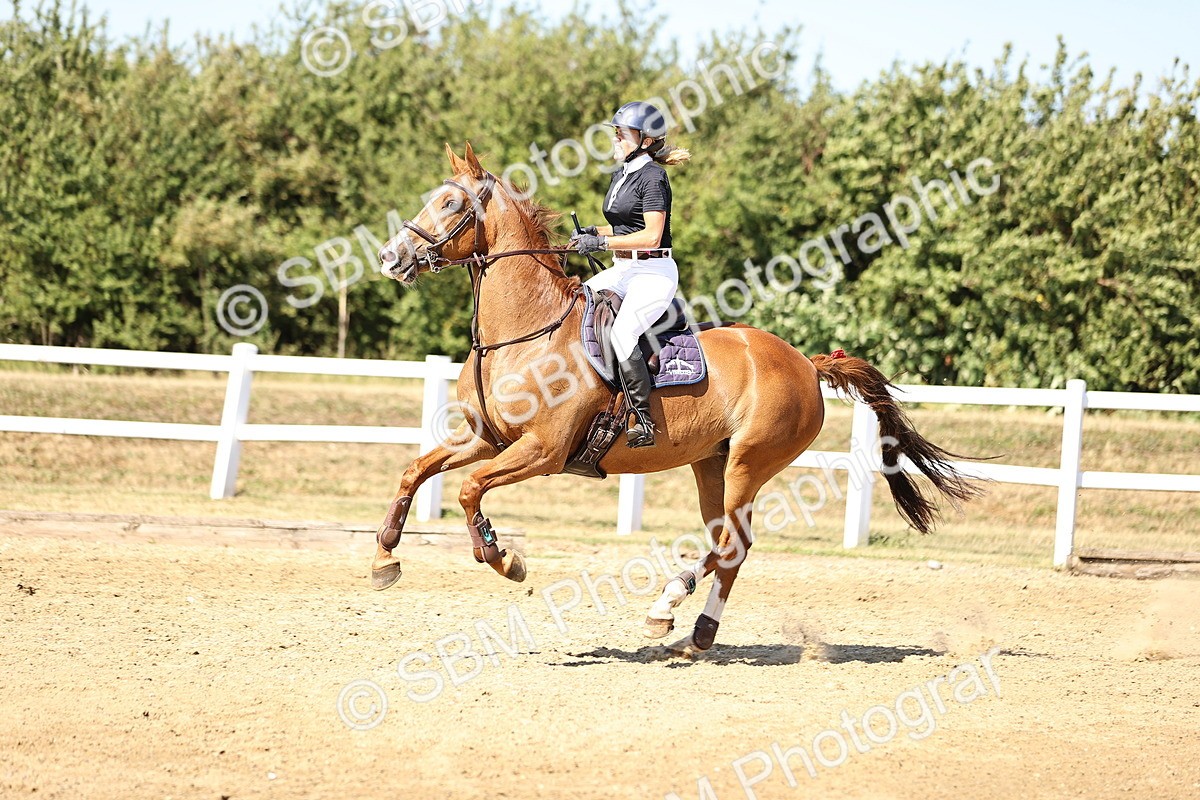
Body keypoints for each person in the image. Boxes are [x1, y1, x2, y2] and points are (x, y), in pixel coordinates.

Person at [570, 101, 691, 448]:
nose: (616, 139)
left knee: (623, 334)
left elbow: (651, 235)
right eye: (617, 133)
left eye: (622, 134)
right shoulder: (621, 174)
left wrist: (601, 243)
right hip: (624, 268)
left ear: (646, 140)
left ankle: (642, 419)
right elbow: (626, 224)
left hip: (653, 272)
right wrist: (595, 231)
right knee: (577, 307)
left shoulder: (654, 178)